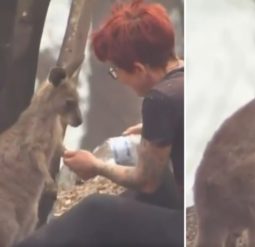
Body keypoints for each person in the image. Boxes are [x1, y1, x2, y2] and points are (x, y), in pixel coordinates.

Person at [16, 0, 184, 246]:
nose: (118, 78)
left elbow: (147, 181)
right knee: (134, 200)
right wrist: (161, 132)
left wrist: (96, 166)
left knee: (96, 211)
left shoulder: (160, 99)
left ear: (138, 69)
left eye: (116, 71)